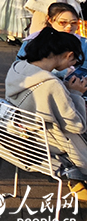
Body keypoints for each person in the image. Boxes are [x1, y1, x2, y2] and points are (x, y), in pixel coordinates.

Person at [6, 27, 87, 188]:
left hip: (24, 132)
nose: (72, 67)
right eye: (73, 62)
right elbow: (76, 125)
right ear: (68, 55)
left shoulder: (18, 67)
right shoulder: (51, 84)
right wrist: (76, 94)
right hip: (50, 142)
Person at [17, 3, 87, 65]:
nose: (69, 26)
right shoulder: (35, 40)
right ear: (50, 20)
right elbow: (19, 65)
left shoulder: (84, 43)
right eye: (63, 22)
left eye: (74, 23)